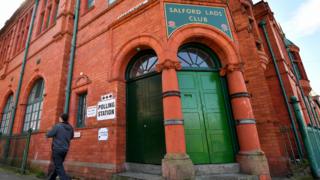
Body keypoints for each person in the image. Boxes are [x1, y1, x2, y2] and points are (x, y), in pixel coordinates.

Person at [46, 113, 74, 180]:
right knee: (58, 165)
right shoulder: (71, 128)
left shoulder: (58, 126)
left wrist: (47, 133)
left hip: (57, 149)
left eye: (59, 117)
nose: (59, 118)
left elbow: (49, 134)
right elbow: (71, 137)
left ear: (61, 118)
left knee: (58, 166)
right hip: (65, 149)